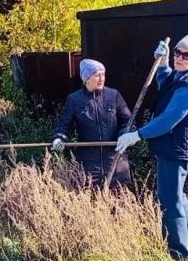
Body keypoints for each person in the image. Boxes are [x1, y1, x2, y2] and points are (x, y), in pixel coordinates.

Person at [115, 34, 188, 261]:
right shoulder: (183, 74)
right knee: (176, 193)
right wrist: (164, 63)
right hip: (173, 145)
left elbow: (169, 119)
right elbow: (165, 84)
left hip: (176, 148)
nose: (180, 58)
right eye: (177, 52)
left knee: (168, 198)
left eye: (187, 55)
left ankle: (180, 255)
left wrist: (137, 135)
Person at [51, 59, 134, 189]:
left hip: (116, 161)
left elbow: (128, 121)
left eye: (103, 74)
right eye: (97, 75)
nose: (101, 78)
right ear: (86, 78)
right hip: (88, 164)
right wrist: (59, 137)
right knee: (90, 201)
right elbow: (64, 124)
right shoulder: (74, 99)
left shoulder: (114, 95)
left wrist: (126, 135)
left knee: (120, 202)